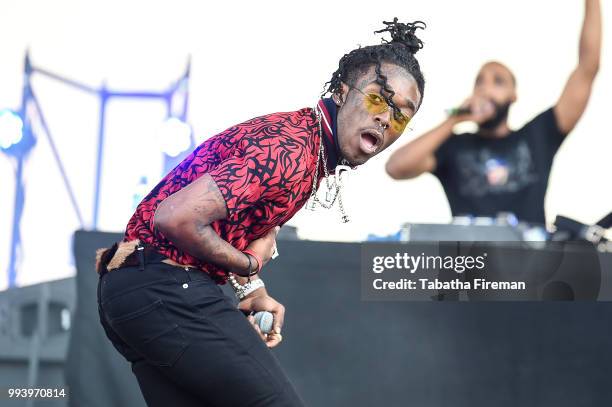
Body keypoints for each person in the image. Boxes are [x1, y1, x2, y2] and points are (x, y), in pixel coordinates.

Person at [96, 18, 426, 406]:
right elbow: (175, 218)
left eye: (401, 113)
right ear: (340, 92)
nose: (386, 118)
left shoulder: (308, 145)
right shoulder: (290, 150)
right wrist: (248, 265)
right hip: (163, 288)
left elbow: (236, 222)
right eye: (376, 98)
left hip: (132, 289)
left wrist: (251, 289)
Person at [386, 0, 601, 225]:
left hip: (532, 258)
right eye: (479, 82)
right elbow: (396, 167)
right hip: (472, 259)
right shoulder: (453, 146)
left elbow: (588, 67)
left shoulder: (538, 135)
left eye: (498, 82)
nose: (485, 88)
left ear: (513, 96)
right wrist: (454, 119)